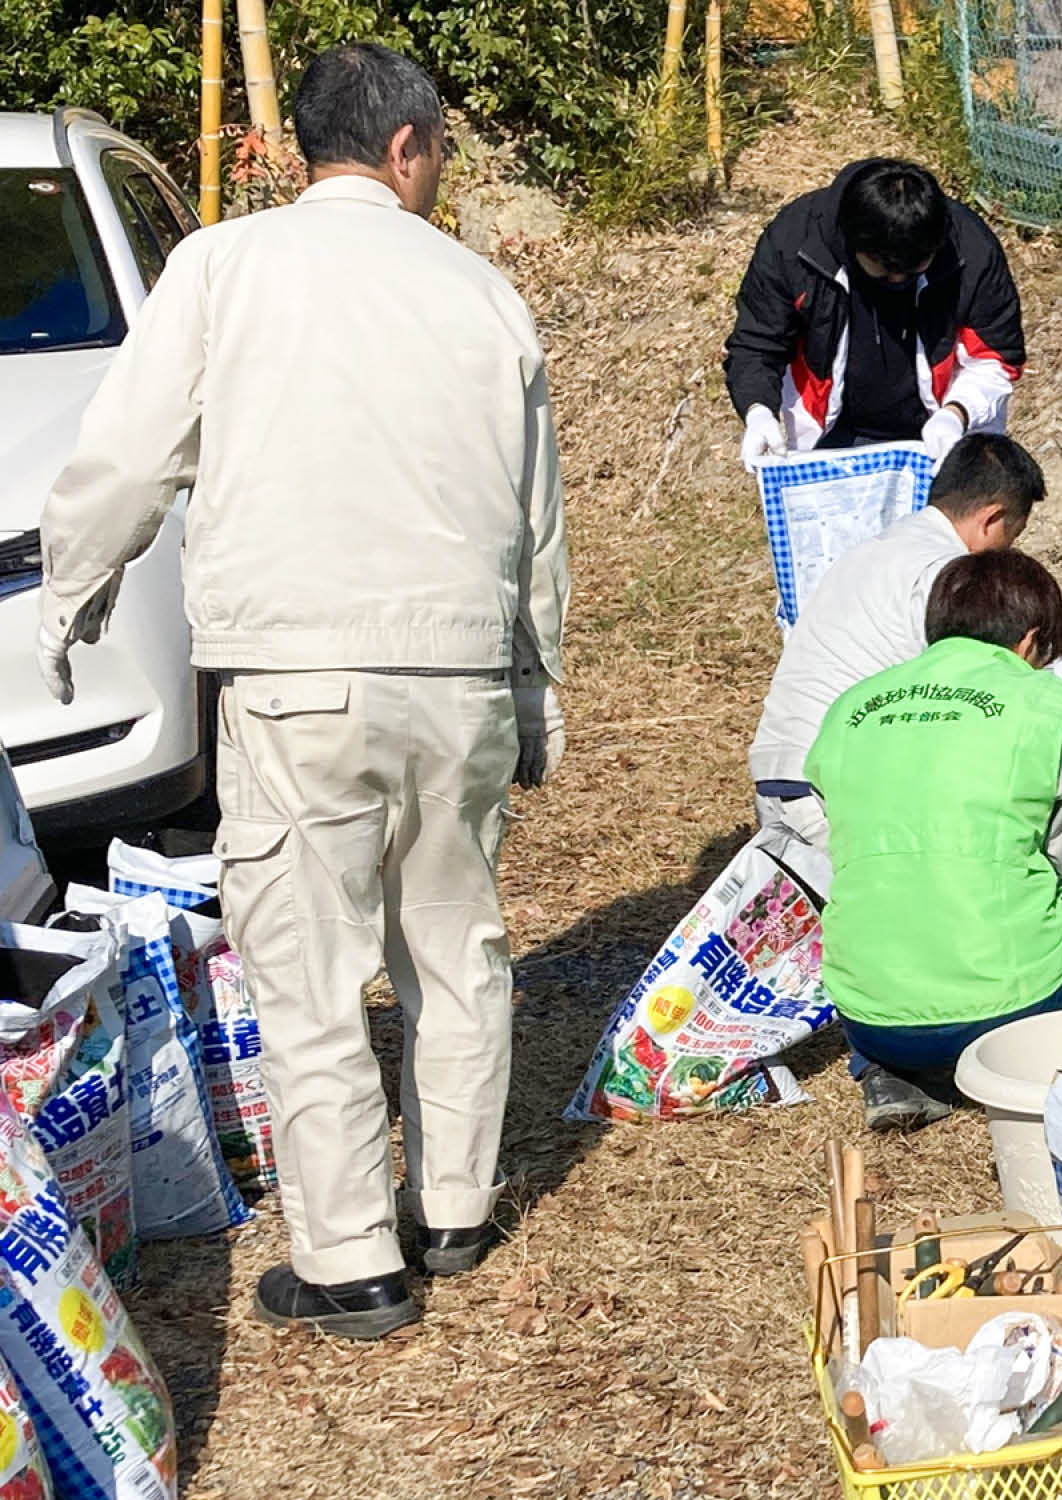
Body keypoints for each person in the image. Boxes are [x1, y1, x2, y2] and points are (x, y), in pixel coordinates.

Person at [36, 42, 567, 1339]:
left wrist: (71, 599)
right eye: (438, 146)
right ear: (401, 150)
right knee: (456, 942)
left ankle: (348, 1264)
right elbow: (538, 530)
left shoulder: (224, 266)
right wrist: (538, 701)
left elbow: (125, 456)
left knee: (310, 965)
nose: (440, 168)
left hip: (297, 676)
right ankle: (452, 1207)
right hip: (458, 680)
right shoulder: (486, 296)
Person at [805, 551, 1062, 1129]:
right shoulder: (1046, 706)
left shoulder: (851, 709)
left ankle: (893, 1070)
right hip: (1012, 1003)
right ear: (1030, 641)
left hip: (870, 1014)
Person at [747, 433, 1047, 861]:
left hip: (780, 772)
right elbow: (977, 696)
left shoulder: (875, 548)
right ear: (991, 518)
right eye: (1011, 536)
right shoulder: (948, 576)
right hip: (831, 791)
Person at [725, 158, 1025, 463]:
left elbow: (997, 355)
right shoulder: (794, 244)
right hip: (833, 430)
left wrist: (957, 413)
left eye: (912, 270)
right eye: (884, 268)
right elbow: (757, 344)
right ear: (852, 241)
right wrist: (758, 409)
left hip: (941, 427)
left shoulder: (971, 249)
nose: (897, 279)